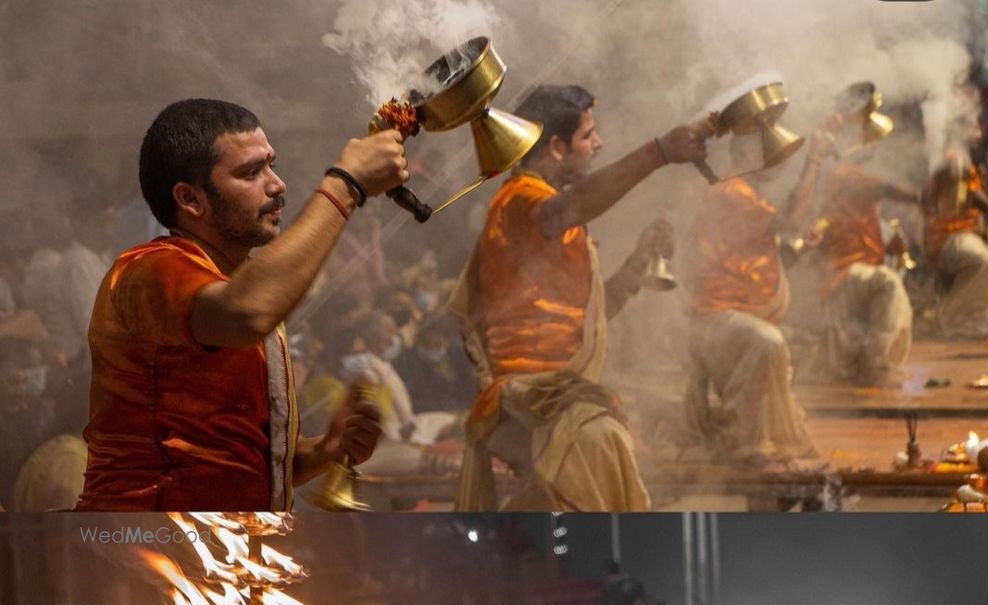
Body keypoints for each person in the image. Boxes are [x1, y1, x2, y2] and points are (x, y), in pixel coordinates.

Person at [76, 98, 409, 510]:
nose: (277, 184)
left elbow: (240, 468)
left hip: (225, 552)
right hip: (146, 549)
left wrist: (326, 450)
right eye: (251, 172)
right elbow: (245, 311)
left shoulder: (243, 284)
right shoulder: (149, 270)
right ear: (190, 199)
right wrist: (344, 185)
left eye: (271, 164)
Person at [451, 83, 709, 510]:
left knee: (637, 430)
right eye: (588, 136)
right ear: (556, 146)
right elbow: (571, 208)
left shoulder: (549, 211)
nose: (599, 143)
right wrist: (659, 152)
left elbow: (593, 315)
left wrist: (639, 260)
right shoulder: (520, 200)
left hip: (559, 393)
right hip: (523, 394)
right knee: (601, 437)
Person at [686, 127, 838, 465]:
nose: (779, 163)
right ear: (749, 156)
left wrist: (797, 253)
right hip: (715, 320)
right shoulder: (731, 191)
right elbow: (793, 220)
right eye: (771, 154)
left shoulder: (744, 194)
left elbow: (749, 266)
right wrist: (813, 159)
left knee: (780, 342)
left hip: (737, 316)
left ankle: (762, 445)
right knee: (767, 342)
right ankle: (749, 442)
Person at [814, 98, 920, 383]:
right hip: (844, 273)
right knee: (888, 283)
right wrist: (924, 198)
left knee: (887, 277)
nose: (875, 149)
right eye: (870, 142)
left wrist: (888, 246)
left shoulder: (850, 175)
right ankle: (879, 362)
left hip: (857, 268)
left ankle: (874, 362)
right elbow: (887, 189)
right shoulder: (846, 174)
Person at [922, 154, 988, 340]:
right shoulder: (955, 161)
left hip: (963, 238)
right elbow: (980, 202)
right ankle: (958, 323)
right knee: (981, 260)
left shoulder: (973, 168)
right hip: (950, 237)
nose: (976, 132)